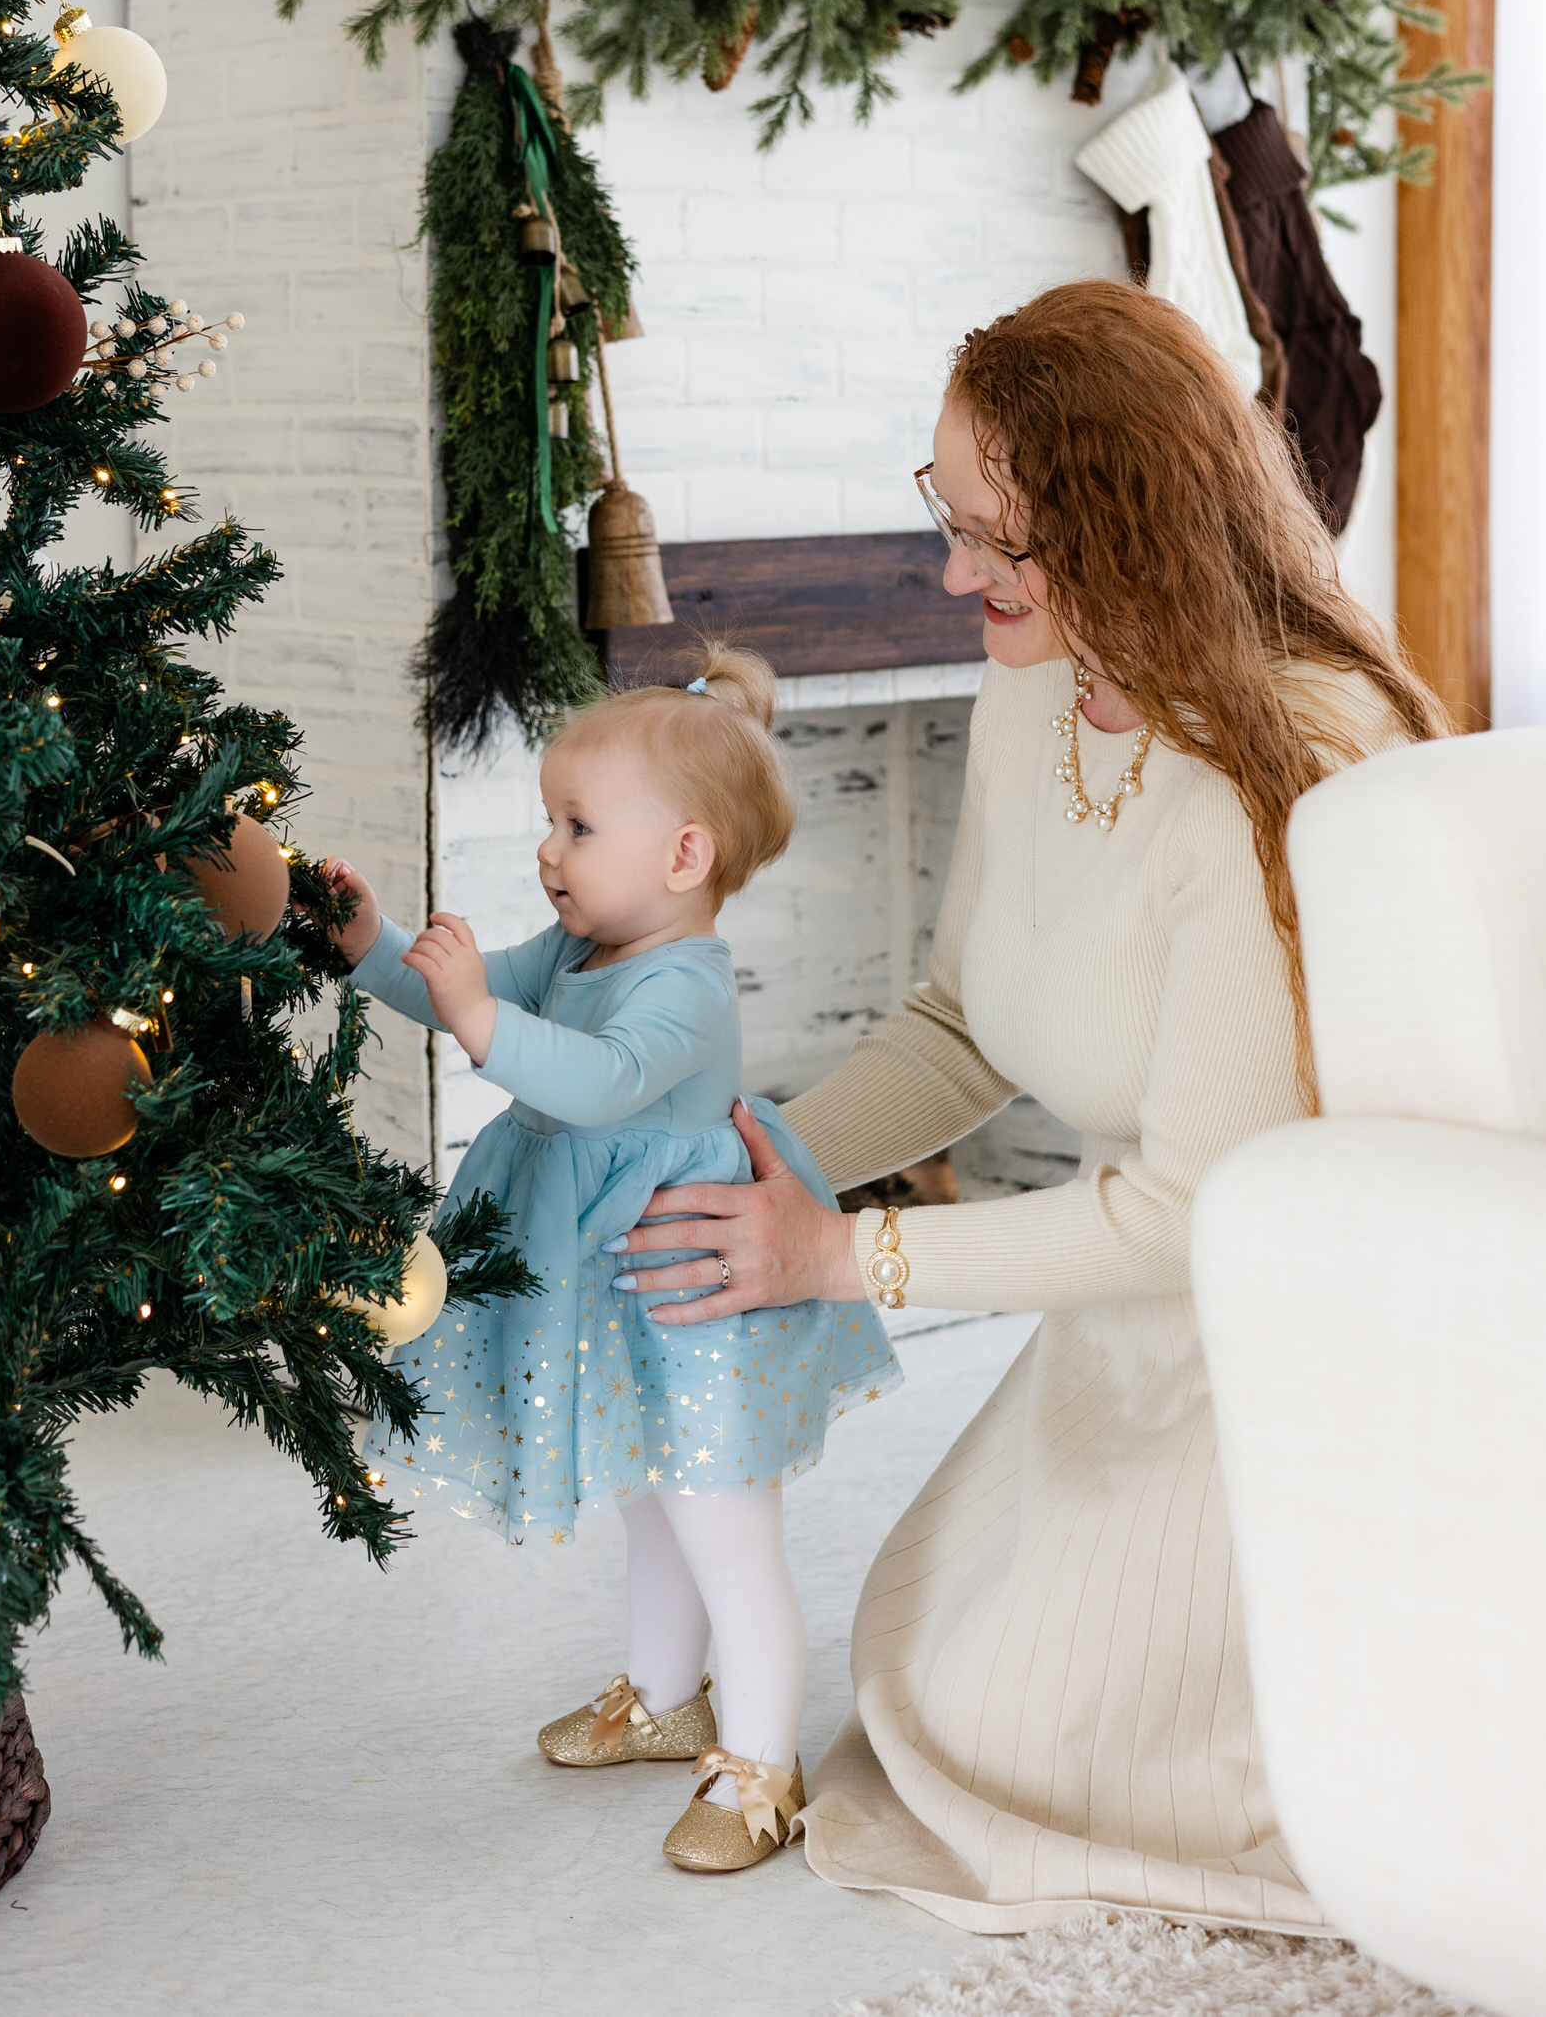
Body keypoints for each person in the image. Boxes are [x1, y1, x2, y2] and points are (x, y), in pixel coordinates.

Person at [603, 280, 1450, 1935]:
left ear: (1130, 520)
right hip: (1137, 1317)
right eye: (950, 515)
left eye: (1000, 534)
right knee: (916, 1665)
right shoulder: (1042, 684)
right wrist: (751, 1165)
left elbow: (1192, 1210)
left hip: (1299, 1339)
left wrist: (834, 1263)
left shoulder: (1283, 767)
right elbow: (961, 1022)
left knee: (1021, 1744)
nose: (951, 571)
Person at [320, 645, 898, 1874]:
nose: (548, 851)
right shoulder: (576, 951)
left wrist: (483, 1017)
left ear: (682, 856)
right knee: (650, 1498)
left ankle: (759, 1769)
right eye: (548, 821)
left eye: (576, 826)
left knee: (721, 1526)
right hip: (614, 1291)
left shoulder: (683, 986)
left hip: (695, 1291)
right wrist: (377, 946)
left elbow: (596, 1083)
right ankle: (660, 1692)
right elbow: (456, 996)